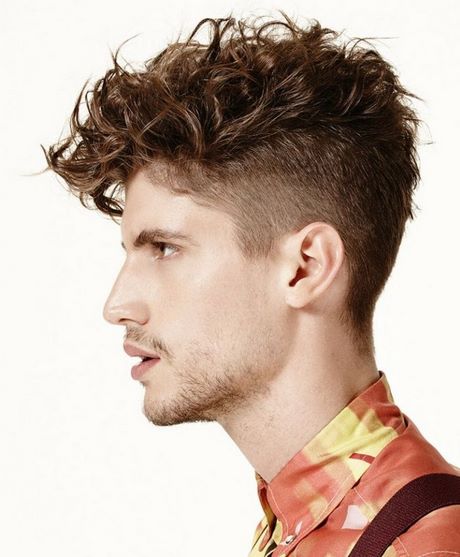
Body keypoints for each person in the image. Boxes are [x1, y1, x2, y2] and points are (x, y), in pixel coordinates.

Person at [42, 11, 460, 556]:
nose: (117, 305)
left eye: (165, 248)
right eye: (131, 253)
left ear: (305, 267)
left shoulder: (421, 544)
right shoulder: (294, 525)